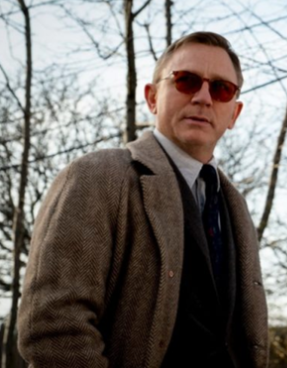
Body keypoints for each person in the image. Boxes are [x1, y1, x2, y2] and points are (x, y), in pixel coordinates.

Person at [18, 32, 268, 367]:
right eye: (186, 80)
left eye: (221, 88)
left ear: (234, 113)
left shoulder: (234, 206)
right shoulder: (96, 177)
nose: (203, 98)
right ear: (152, 98)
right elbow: (54, 328)